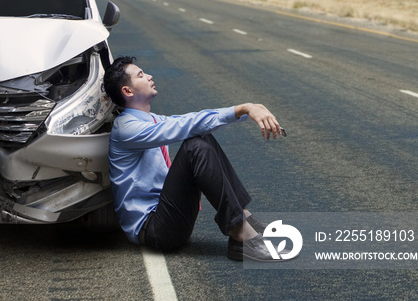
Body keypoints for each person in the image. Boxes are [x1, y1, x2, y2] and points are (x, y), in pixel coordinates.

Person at [103, 56, 288, 262]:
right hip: (154, 230)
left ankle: (244, 217)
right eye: (140, 75)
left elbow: (187, 121)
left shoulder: (151, 120)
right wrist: (241, 108)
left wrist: (246, 110)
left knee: (201, 136)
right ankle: (240, 235)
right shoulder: (126, 129)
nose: (149, 76)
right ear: (128, 91)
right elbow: (184, 126)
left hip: (168, 217)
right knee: (194, 145)